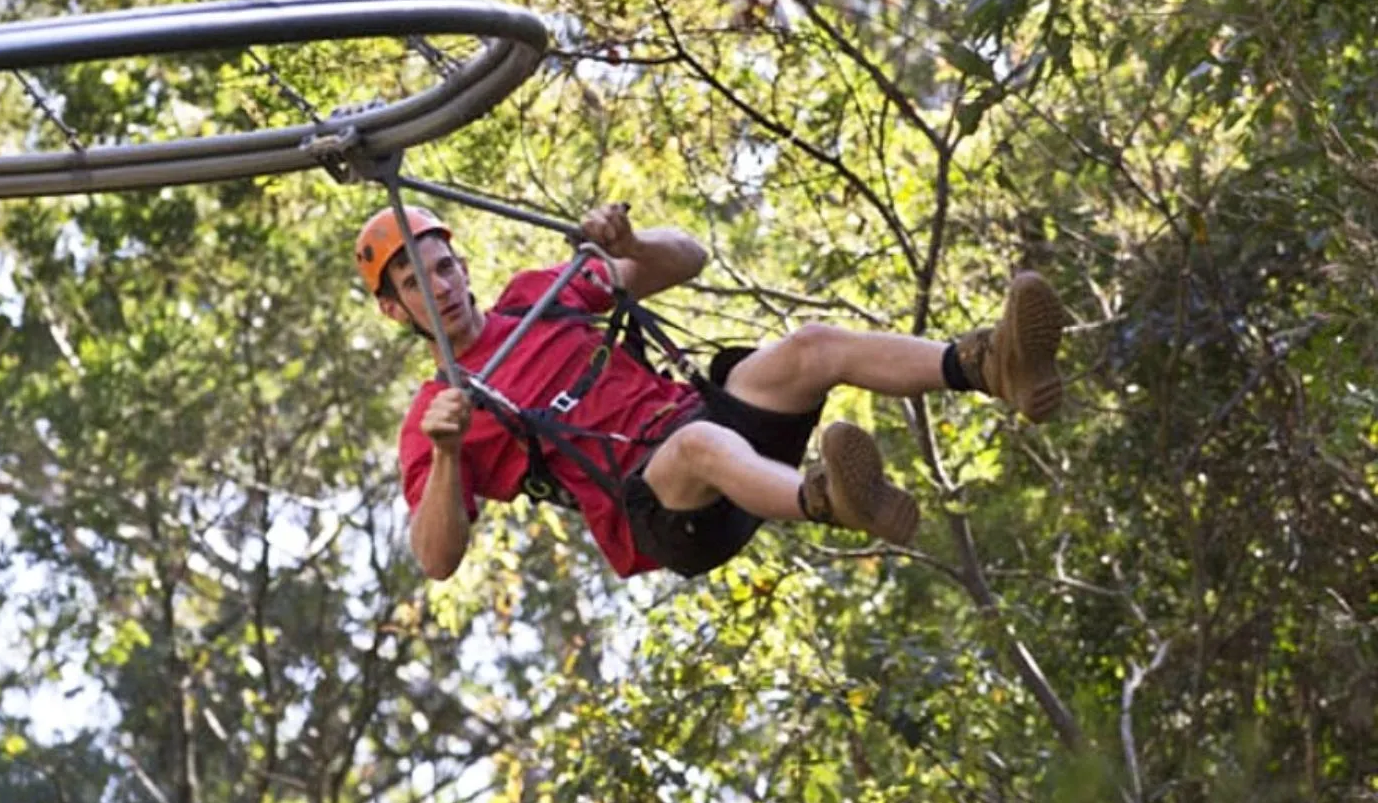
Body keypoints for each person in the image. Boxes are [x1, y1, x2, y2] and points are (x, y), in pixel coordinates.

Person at [357, 202, 1070, 582]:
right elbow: (435, 558)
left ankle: (989, 366)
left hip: (704, 422)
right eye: (418, 283)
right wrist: (449, 454)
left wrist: (631, 244)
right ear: (395, 309)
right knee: (699, 445)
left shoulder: (537, 297)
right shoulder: (438, 413)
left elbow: (689, 257)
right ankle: (828, 497)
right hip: (662, 506)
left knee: (811, 344)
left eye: (444, 266)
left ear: (463, 262)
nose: (442, 288)